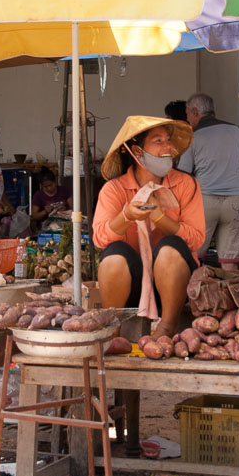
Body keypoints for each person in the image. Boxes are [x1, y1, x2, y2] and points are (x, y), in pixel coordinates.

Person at [94, 116, 204, 339]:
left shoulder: (185, 184)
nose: (168, 147)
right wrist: (126, 216)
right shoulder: (114, 190)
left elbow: (196, 239)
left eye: (168, 140)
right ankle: (112, 331)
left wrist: (161, 217)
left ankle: (166, 327)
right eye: (158, 141)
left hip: (177, 284)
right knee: (114, 255)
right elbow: (100, 239)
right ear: (137, 151)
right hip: (131, 286)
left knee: (170, 247)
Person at [177, 93, 239, 269]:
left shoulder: (193, 137)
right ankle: (232, 294)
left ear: (195, 111)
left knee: (194, 255)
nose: (188, 118)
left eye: (188, 114)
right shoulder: (236, 131)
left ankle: (194, 294)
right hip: (235, 202)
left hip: (204, 201)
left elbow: (183, 175)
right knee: (230, 260)